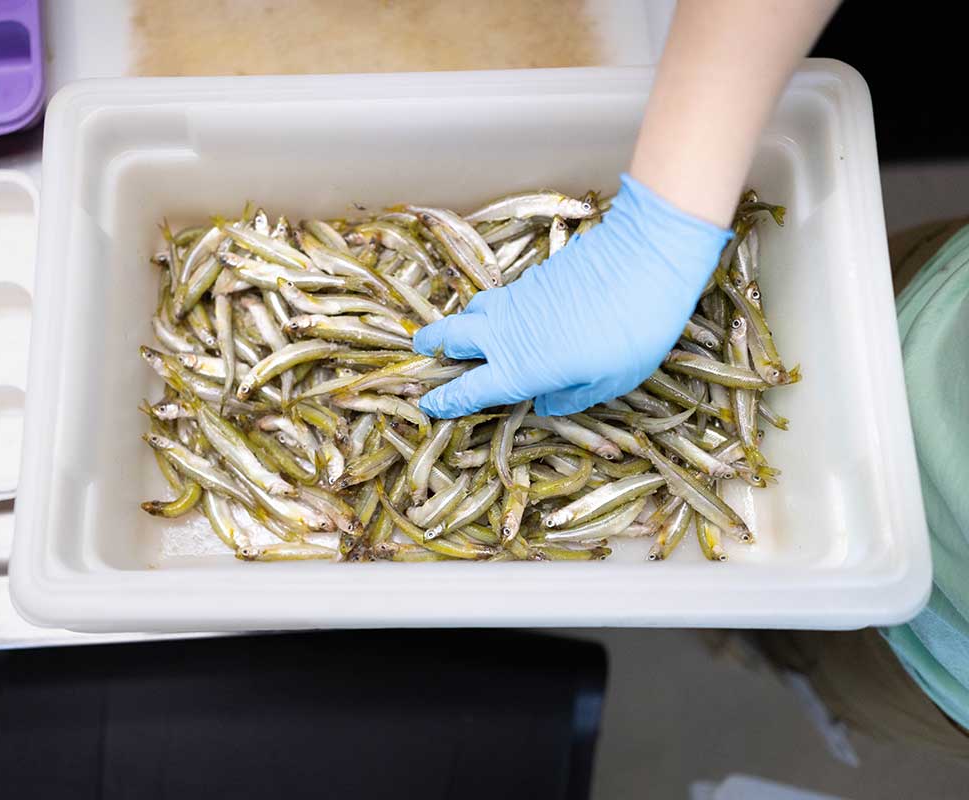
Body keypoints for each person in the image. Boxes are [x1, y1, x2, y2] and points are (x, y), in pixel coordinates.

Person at [413, 0, 969, 757]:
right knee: (791, 625)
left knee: (814, 641)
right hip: (920, 308)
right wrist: (664, 219)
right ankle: (769, 641)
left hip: (918, 640)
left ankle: (774, 645)